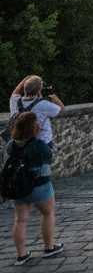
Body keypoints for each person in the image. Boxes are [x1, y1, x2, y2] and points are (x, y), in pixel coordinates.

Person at [5, 112, 61, 266]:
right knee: (48, 213)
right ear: (33, 126)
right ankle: (49, 247)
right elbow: (48, 156)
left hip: (18, 186)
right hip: (39, 184)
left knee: (20, 220)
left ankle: (21, 255)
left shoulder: (12, 144)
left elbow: (10, 154)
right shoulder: (38, 144)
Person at [8, 76, 64, 151]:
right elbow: (62, 110)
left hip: (20, 142)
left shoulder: (15, 101)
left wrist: (28, 79)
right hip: (41, 142)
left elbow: (16, 92)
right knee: (41, 162)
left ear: (25, 89)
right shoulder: (43, 105)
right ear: (38, 92)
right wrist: (51, 95)